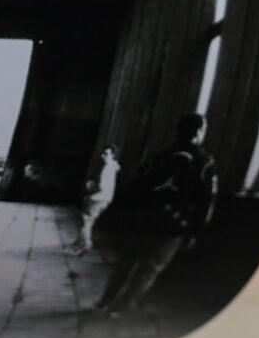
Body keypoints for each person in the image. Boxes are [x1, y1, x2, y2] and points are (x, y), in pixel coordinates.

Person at [92, 112, 221, 319]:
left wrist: (119, 217)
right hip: (174, 226)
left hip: (144, 221)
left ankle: (104, 301)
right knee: (149, 270)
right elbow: (206, 200)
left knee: (125, 264)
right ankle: (119, 308)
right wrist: (195, 230)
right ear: (198, 132)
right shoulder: (205, 162)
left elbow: (134, 188)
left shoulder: (158, 156)